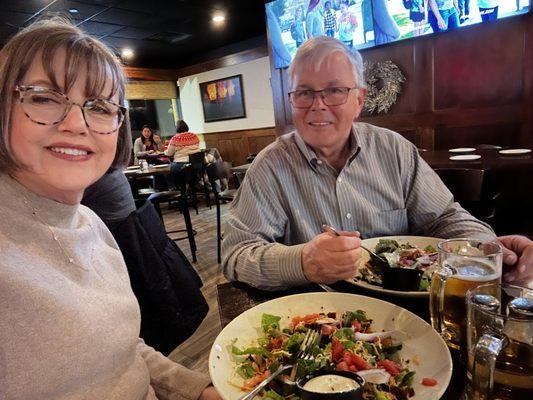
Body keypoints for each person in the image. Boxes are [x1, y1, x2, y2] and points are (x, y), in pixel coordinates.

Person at [0, 17, 221, 400]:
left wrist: (198, 390)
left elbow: (121, 350)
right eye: (44, 97)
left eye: (100, 106)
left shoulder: (92, 222)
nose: (75, 123)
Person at [221, 36, 532, 291]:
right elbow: (236, 255)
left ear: (360, 99)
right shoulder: (270, 166)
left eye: (334, 91)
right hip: (318, 317)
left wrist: (488, 250)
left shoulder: (394, 150)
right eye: (304, 92)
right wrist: (303, 261)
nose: (318, 105)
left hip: (407, 309)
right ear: (291, 100)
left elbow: (444, 218)